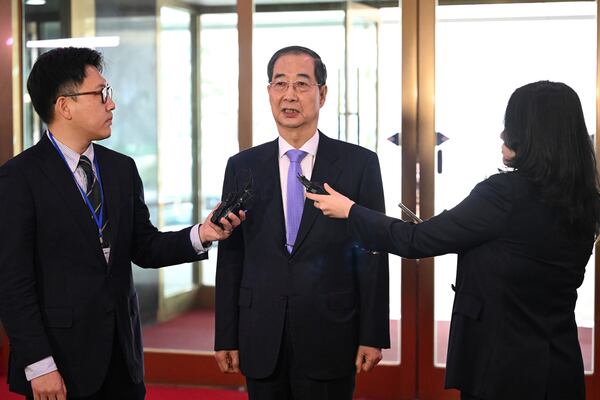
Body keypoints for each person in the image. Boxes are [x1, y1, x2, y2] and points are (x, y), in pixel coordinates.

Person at [307, 80, 600, 400]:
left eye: (511, 124)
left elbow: (415, 240)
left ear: (531, 133)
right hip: (559, 368)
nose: (503, 134)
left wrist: (350, 211)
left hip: (503, 372)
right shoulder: (585, 200)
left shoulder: (504, 194)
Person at [0, 47, 244, 400]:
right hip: (59, 362)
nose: (111, 104)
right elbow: (12, 283)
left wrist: (202, 234)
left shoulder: (121, 169)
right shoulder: (18, 178)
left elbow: (143, 246)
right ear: (64, 106)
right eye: (101, 94)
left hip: (122, 357)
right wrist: (39, 365)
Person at [213, 45, 390, 400]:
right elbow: (231, 255)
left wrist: (373, 333)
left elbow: (373, 253)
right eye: (280, 84)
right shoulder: (242, 165)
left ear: (322, 94)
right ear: (269, 92)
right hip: (261, 331)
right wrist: (226, 335)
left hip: (332, 330)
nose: (289, 95)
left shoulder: (359, 165)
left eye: (302, 84)